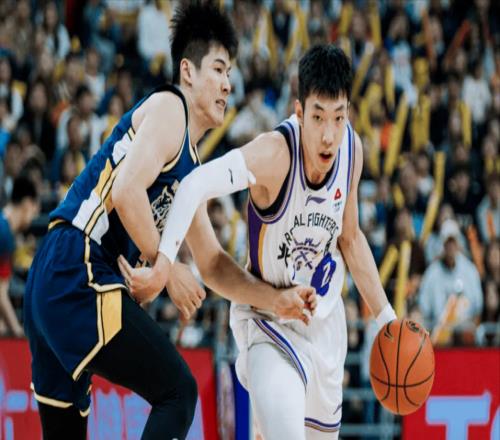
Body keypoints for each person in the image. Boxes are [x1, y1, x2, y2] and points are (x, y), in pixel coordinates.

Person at [23, 4, 314, 440]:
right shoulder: (170, 107)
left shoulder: (190, 169)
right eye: (219, 69)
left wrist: (275, 300)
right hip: (76, 264)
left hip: (54, 281)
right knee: (178, 391)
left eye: (230, 72)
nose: (228, 84)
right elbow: (126, 191)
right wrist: (168, 267)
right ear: (188, 71)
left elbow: (212, 263)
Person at [123, 44, 398, 439]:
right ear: (299, 112)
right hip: (268, 320)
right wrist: (163, 264)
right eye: (318, 117)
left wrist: (387, 319)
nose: (328, 135)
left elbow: (351, 240)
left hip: (324, 327)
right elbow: (193, 184)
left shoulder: (351, 150)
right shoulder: (275, 154)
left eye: (338, 118)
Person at [0, 176, 39, 337]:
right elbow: (1, 292)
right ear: (27, 204)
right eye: (35, 210)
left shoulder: (5, 229)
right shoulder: (4, 233)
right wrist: (17, 332)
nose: (34, 217)